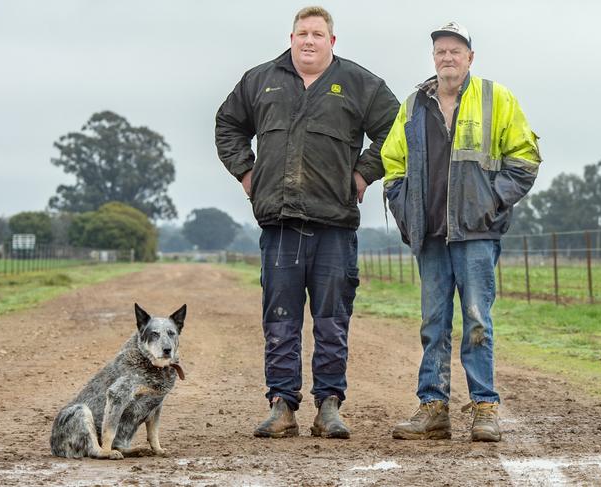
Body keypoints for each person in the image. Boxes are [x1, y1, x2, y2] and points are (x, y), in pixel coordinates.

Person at [215, 6, 399, 439]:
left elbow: (396, 128)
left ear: (332, 42)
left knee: (332, 318)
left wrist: (363, 173)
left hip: (334, 224)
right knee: (280, 318)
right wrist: (247, 173)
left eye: (318, 34)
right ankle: (281, 405)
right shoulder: (260, 80)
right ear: (291, 37)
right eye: (302, 33)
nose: (309, 41)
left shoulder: (360, 83)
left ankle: (329, 406)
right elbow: (227, 124)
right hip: (280, 225)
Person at [381, 21, 541, 442]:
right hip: (430, 236)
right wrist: (404, 211)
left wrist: (490, 201)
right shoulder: (414, 104)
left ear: (470, 57)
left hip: (476, 234)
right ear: (433, 59)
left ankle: (485, 408)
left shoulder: (496, 98)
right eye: (440, 51)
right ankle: (433, 409)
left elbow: (525, 159)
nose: (447, 57)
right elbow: (392, 164)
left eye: (455, 50)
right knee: (433, 323)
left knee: (476, 321)